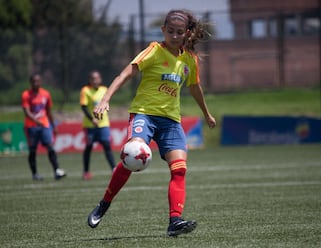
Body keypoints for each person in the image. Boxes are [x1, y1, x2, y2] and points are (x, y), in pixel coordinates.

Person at [87, 9, 216, 237]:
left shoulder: (189, 59)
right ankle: (104, 204)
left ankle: (174, 221)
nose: (174, 36)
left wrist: (206, 113)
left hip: (171, 122)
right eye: (170, 31)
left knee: (180, 170)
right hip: (144, 115)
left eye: (179, 32)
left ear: (186, 33)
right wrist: (105, 99)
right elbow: (126, 74)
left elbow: (195, 87)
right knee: (132, 154)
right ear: (163, 30)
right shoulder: (154, 51)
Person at [22, 74, 66, 180]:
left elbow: (48, 111)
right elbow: (27, 112)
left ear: (41, 82)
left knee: (50, 147)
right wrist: (37, 121)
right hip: (31, 126)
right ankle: (35, 174)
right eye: (34, 81)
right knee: (32, 150)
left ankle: (57, 171)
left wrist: (53, 125)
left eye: (38, 81)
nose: (36, 83)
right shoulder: (26, 95)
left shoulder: (45, 94)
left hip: (45, 125)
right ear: (31, 82)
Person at [80, 71, 116, 180]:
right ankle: (86, 171)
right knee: (89, 147)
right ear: (90, 80)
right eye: (93, 79)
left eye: (97, 78)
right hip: (90, 125)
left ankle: (114, 169)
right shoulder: (85, 90)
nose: (96, 80)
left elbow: (107, 103)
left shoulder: (104, 90)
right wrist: (92, 119)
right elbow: (84, 107)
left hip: (103, 124)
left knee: (107, 145)